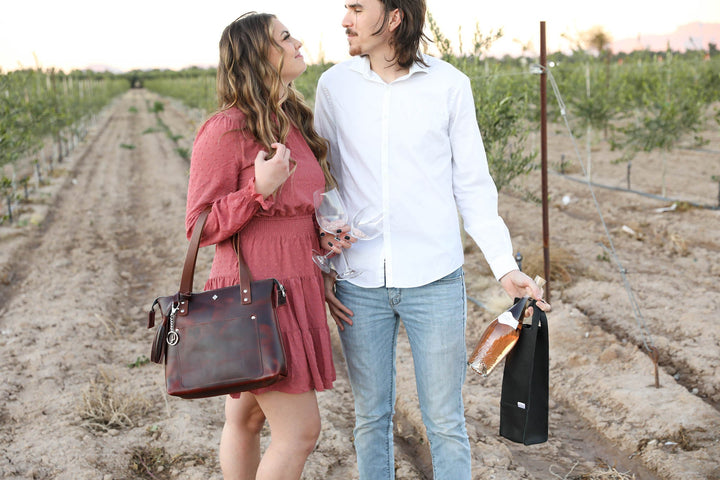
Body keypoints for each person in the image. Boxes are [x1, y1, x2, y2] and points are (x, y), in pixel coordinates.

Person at [313, 1, 551, 479]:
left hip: (436, 280)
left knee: (445, 421)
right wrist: (322, 262)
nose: (345, 20)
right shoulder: (334, 86)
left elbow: (473, 185)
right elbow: (322, 179)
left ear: (394, 17)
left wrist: (504, 266)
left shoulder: (449, 85)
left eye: (357, 7)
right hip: (358, 282)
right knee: (370, 418)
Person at [185, 12, 337, 480]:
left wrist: (323, 244)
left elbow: (301, 209)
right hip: (257, 293)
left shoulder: (291, 120)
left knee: (247, 418)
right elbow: (198, 226)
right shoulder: (226, 128)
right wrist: (257, 190)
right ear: (258, 55)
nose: (297, 42)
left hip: (296, 283)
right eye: (284, 37)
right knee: (300, 432)